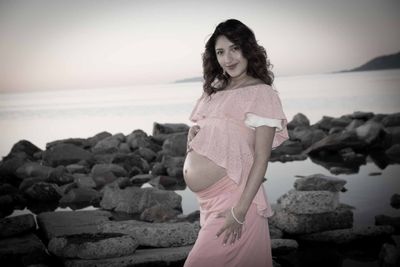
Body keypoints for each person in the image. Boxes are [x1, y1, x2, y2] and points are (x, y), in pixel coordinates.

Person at [182, 19, 289, 267]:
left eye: (234, 48)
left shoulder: (262, 93)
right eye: (220, 52)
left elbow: (262, 158)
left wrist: (239, 212)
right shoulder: (215, 89)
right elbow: (216, 131)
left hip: (234, 200)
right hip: (207, 201)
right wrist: (193, 135)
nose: (228, 58)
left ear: (248, 49)